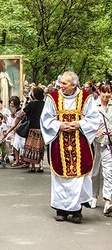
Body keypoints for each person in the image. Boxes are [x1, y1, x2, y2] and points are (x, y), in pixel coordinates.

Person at [40, 71, 100, 223]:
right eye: (60, 83)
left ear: (74, 85)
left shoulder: (86, 98)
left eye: (64, 84)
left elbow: (94, 118)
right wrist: (59, 125)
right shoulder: (52, 98)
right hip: (59, 143)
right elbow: (45, 118)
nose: (61, 86)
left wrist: (79, 124)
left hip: (79, 142)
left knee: (78, 179)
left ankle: (77, 211)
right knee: (60, 178)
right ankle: (61, 210)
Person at [91, 84, 112, 213]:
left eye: (108, 93)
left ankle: (108, 201)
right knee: (95, 172)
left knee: (109, 172)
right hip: (95, 144)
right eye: (104, 93)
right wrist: (94, 133)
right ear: (99, 93)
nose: (106, 95)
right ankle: (94, 195)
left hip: (108, 144)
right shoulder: (93, 106)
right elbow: (87, 123)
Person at [22, 87, 45, 172]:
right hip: (41, 128)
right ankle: (41, 165)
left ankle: (32, 165)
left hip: (32, 127)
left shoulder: (32, 103)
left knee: (31, 147)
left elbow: (24, 111)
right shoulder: (44, 104)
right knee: (40, 147)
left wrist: (25, 102)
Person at [2, 96, 27, 167]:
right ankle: (19, 160)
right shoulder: (17, 111)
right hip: (19, 131)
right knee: (17, 145)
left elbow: (14, 125)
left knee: (19, 145)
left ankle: (18, 160)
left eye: (12, 103)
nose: (10, 105)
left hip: (21, 131)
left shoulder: (19, 112)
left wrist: (7, 132)